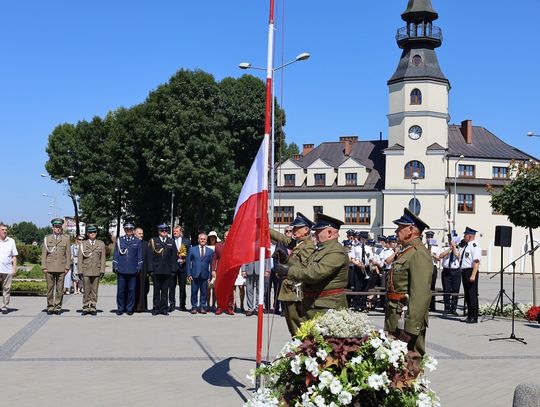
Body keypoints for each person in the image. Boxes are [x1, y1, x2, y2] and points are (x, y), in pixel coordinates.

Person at [275, 213, 349, 321]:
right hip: (316, 303)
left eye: (318, 231)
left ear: (329, 233)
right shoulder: (322, 249)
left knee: (323, 337)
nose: (315, 234)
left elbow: (315, 273)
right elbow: (304, 267)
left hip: (328, 306)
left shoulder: (336, 251)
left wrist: (288, 271)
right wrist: (285, 262)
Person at [384, 208, 433, 355]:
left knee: (410, 363)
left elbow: (420, 295)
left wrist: (411, 329)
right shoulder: (407, 252)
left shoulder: (418, 254)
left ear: (411, 229)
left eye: (400, 227)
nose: (396, 231)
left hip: (406, 321)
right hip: (396, 316)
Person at [271, 213, 315, 336]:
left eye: (296, 228)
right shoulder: (298, 243)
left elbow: (303, 269)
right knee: (292, 324)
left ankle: (302, 348)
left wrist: (286, 260)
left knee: (296, 324)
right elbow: (280, 237)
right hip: (289, 289)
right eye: (293, 228)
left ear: (306, 230)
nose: (293, 230)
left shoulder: (308, 247)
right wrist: (263, 227)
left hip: (296, 291)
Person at [112, 221, 144, 315]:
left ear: (133, 230)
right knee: (120, 291)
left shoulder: (137, 241)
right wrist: (115, 266)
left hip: (132, 270)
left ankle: (129, 308)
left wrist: (139, 267)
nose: (129, 230)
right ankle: (120, 308)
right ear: (124, 229)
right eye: (127, 229)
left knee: (131, 290)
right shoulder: (120, 240)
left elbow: (140, 256)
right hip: (121, 269)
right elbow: (116, 254)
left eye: (130, 229)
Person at [41, 218, 71, 315]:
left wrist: (67, 267)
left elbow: (68, 254)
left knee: (60, 289)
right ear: (52, 228)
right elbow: (44, 254)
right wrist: (44, 267)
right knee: (49, 288)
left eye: (59, 227)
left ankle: (57, 306)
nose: (57, 228)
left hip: (61, 268)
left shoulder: (66, 239)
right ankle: (50, 306)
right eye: (56, 227)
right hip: (49, 268)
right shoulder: (47, 239)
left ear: (61, 228)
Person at [147, 224, 177, 315]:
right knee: (156, 291)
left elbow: (174, 257)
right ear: (159, 231)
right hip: (156, 271)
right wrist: (150, 270)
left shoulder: (171, 241)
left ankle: (164, 308)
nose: (164, 232)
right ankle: (155, 308)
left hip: (167, 271)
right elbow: (150, 256)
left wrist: (173, 270)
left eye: (166, 231)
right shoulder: (153, 241)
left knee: (165, 291)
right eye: (162, 231)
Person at [77, 225, 106, 315]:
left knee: (94, 290)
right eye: (90, 232)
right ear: (87, 234)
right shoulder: (83, 244)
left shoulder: (101, 244)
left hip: (96, 270)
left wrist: (102, 270)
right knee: (86, 290)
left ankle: (93, 306)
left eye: (94, 232)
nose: (92, 234)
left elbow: (103, 258)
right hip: (86, 270)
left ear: (96, 233)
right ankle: (86, 306)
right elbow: (80, 259)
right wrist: (80, 271)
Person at [186, 232, 213, 314]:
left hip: (205, 275)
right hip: (194, 274)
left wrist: (210, 276)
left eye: (204, 239)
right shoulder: (192, 249)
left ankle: (202, 307)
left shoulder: (210, 251)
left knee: (204, 292)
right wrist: (189, 274)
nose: (202, 240)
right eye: (201, 239)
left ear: (206, 240)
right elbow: (188, 263)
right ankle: (194, 307)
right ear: (198, 240)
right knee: (194, 291)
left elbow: (211, 265)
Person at [460, 227, 482, 324]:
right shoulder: (466, 246)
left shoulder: (475, 246)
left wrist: (473, 275)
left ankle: (474, 316)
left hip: (471, 271)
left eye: (465, 235)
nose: (464, 237)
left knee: (472, 295)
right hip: (465, 271)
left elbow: (476, 262)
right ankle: (469, 315)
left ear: (469, 236)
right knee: (467, 295)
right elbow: (459, 257)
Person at [438, 233, 461, 316]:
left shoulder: (460, 248)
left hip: (456, 271)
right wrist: (449, 249)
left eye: (452, 240)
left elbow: (458, 256)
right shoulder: (444, 248)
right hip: (447, 271)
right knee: (446, 290)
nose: (451, 241)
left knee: (455, 290)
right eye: (450, 240)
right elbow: (440, 256)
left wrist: (454, 248)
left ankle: (454, 308)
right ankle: (447, 308)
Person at [212, 230, 234, 315]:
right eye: (225, 236)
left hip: (230, 271)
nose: (227, 237)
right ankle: (220, 307)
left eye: (228, 236)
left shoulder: (233, 245)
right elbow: (214, 259)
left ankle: (229, 307)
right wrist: (213, 270)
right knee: (219, 289)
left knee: (230, 290)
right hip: (220, 270)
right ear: (223, 237)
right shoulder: (218, 246)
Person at [0, 223, 18, 314]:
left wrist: (14, 268)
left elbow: (14, 256)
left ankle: (4, 306)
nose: (5, 231)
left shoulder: (11, 241)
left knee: (6, 289)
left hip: (7, 269)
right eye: (3, 229)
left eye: (6, 230)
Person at [172, 226, 190, 312]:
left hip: (183, 267)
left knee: (182, 287)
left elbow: (189, 254)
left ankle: (182, 305)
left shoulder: (186, 241)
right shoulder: (170, 241)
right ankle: (172, 305)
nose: (174, 232)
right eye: (174, 231)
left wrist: (185, 260)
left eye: (176, 231)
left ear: (180, 232)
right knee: (172, 287)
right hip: (173, 267)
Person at [134, 227, 150, 312]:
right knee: (134, 288)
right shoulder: (132, 243)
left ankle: (142, 307)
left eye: (142, 234)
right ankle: (133, 306)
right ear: (135, 234)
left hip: (143, 270)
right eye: (139, 233)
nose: (141, 235)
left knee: (144, 289)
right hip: (133, 270)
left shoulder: (146, 244)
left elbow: (148, 258)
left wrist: (149, 271)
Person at [425, 231, 441, 311]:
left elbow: (439, 259)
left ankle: (432, 305)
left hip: (433, 266)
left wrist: (432, 254)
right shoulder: (423, 246)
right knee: (424, 286)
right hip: (424, 267)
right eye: (428, 237)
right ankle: (424, 304)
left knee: (432, 286)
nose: (429, 239)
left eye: (431, 237)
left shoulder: (436, 247)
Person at [206, 231, 220, 311]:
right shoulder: (207, 246)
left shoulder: (218, 247)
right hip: (207, 269)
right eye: (211, 237)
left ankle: (214, 304)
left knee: (215, 288)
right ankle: (207, 304)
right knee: (208, 288)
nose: (212, 239)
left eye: (213, 237)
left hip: (216, 269)